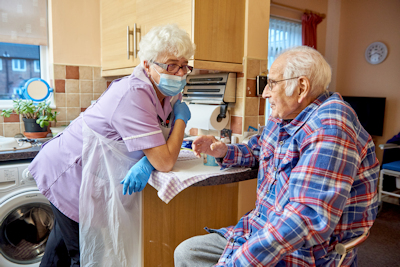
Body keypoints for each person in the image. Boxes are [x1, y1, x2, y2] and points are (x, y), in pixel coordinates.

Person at [174, 46, 379, 266]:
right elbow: (259, 149)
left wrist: (236, 263)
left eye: (271, 83)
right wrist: (225, 151)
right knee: (188, 253)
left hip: (306, 253)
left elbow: (304, 218)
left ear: (301, 87)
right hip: (260, 227)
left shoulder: (330, 126)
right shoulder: (284, 116)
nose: (265, 93)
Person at [28, 24, 195, 266]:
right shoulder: (133, 93)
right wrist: (181, 119)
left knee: (60, 249)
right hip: (71, 172)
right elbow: (166, 160)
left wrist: (149, 159)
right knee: (85, 255)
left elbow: (160, 146)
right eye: (171, 65)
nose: (179, 73)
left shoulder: (167, 90)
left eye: (184, 65)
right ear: (147, 64)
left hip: (94, 175)